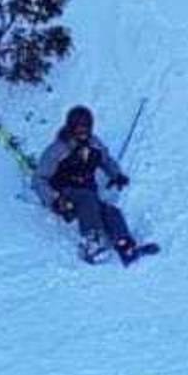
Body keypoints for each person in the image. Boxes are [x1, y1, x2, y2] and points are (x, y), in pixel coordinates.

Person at [33, 105, 138, 265]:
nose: (83, 132)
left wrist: (116, 174)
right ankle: (92, 243)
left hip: (87, 193)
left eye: (86, 127)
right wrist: (54, 199)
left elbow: (106, 160)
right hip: (65, 193)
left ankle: (123, 242)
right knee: (87, 198)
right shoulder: (58, 149)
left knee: (110, 211)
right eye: (78, 127)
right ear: (71, 127)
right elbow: (39, 178)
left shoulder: (94, 144)